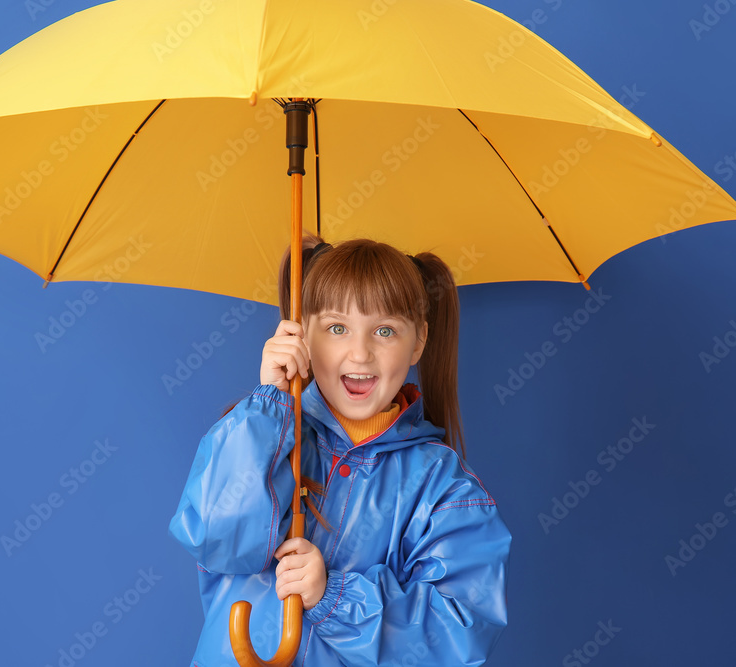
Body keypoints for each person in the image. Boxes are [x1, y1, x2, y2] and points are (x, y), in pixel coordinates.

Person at [169, 235, 511, 666]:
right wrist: (268, 404)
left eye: (385, 330)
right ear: (302, 332)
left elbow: (459, 636)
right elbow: (215, 538)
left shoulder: (444, 489)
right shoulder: (258, 433)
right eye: (336, 328)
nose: (360, 352)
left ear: (419, 341)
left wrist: (333, 596)